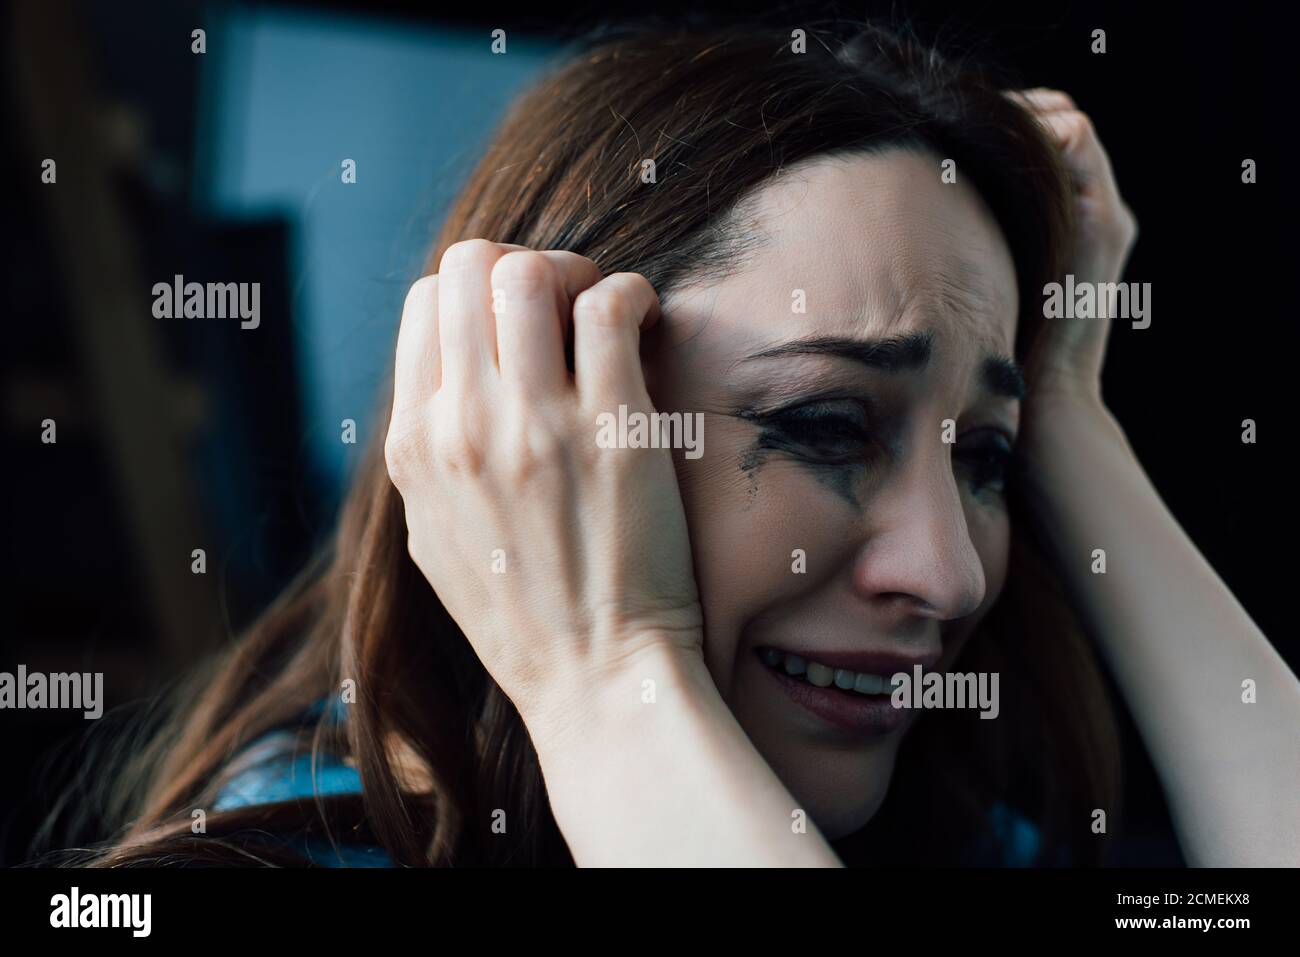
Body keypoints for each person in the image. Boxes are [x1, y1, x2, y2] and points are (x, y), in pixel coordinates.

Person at [75, 21, 1299, 867]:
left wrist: (1071, 413)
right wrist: (607, 669)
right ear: (530, 433)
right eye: (824, 424)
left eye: (983, 456)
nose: (952, 574)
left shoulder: (946, 832)